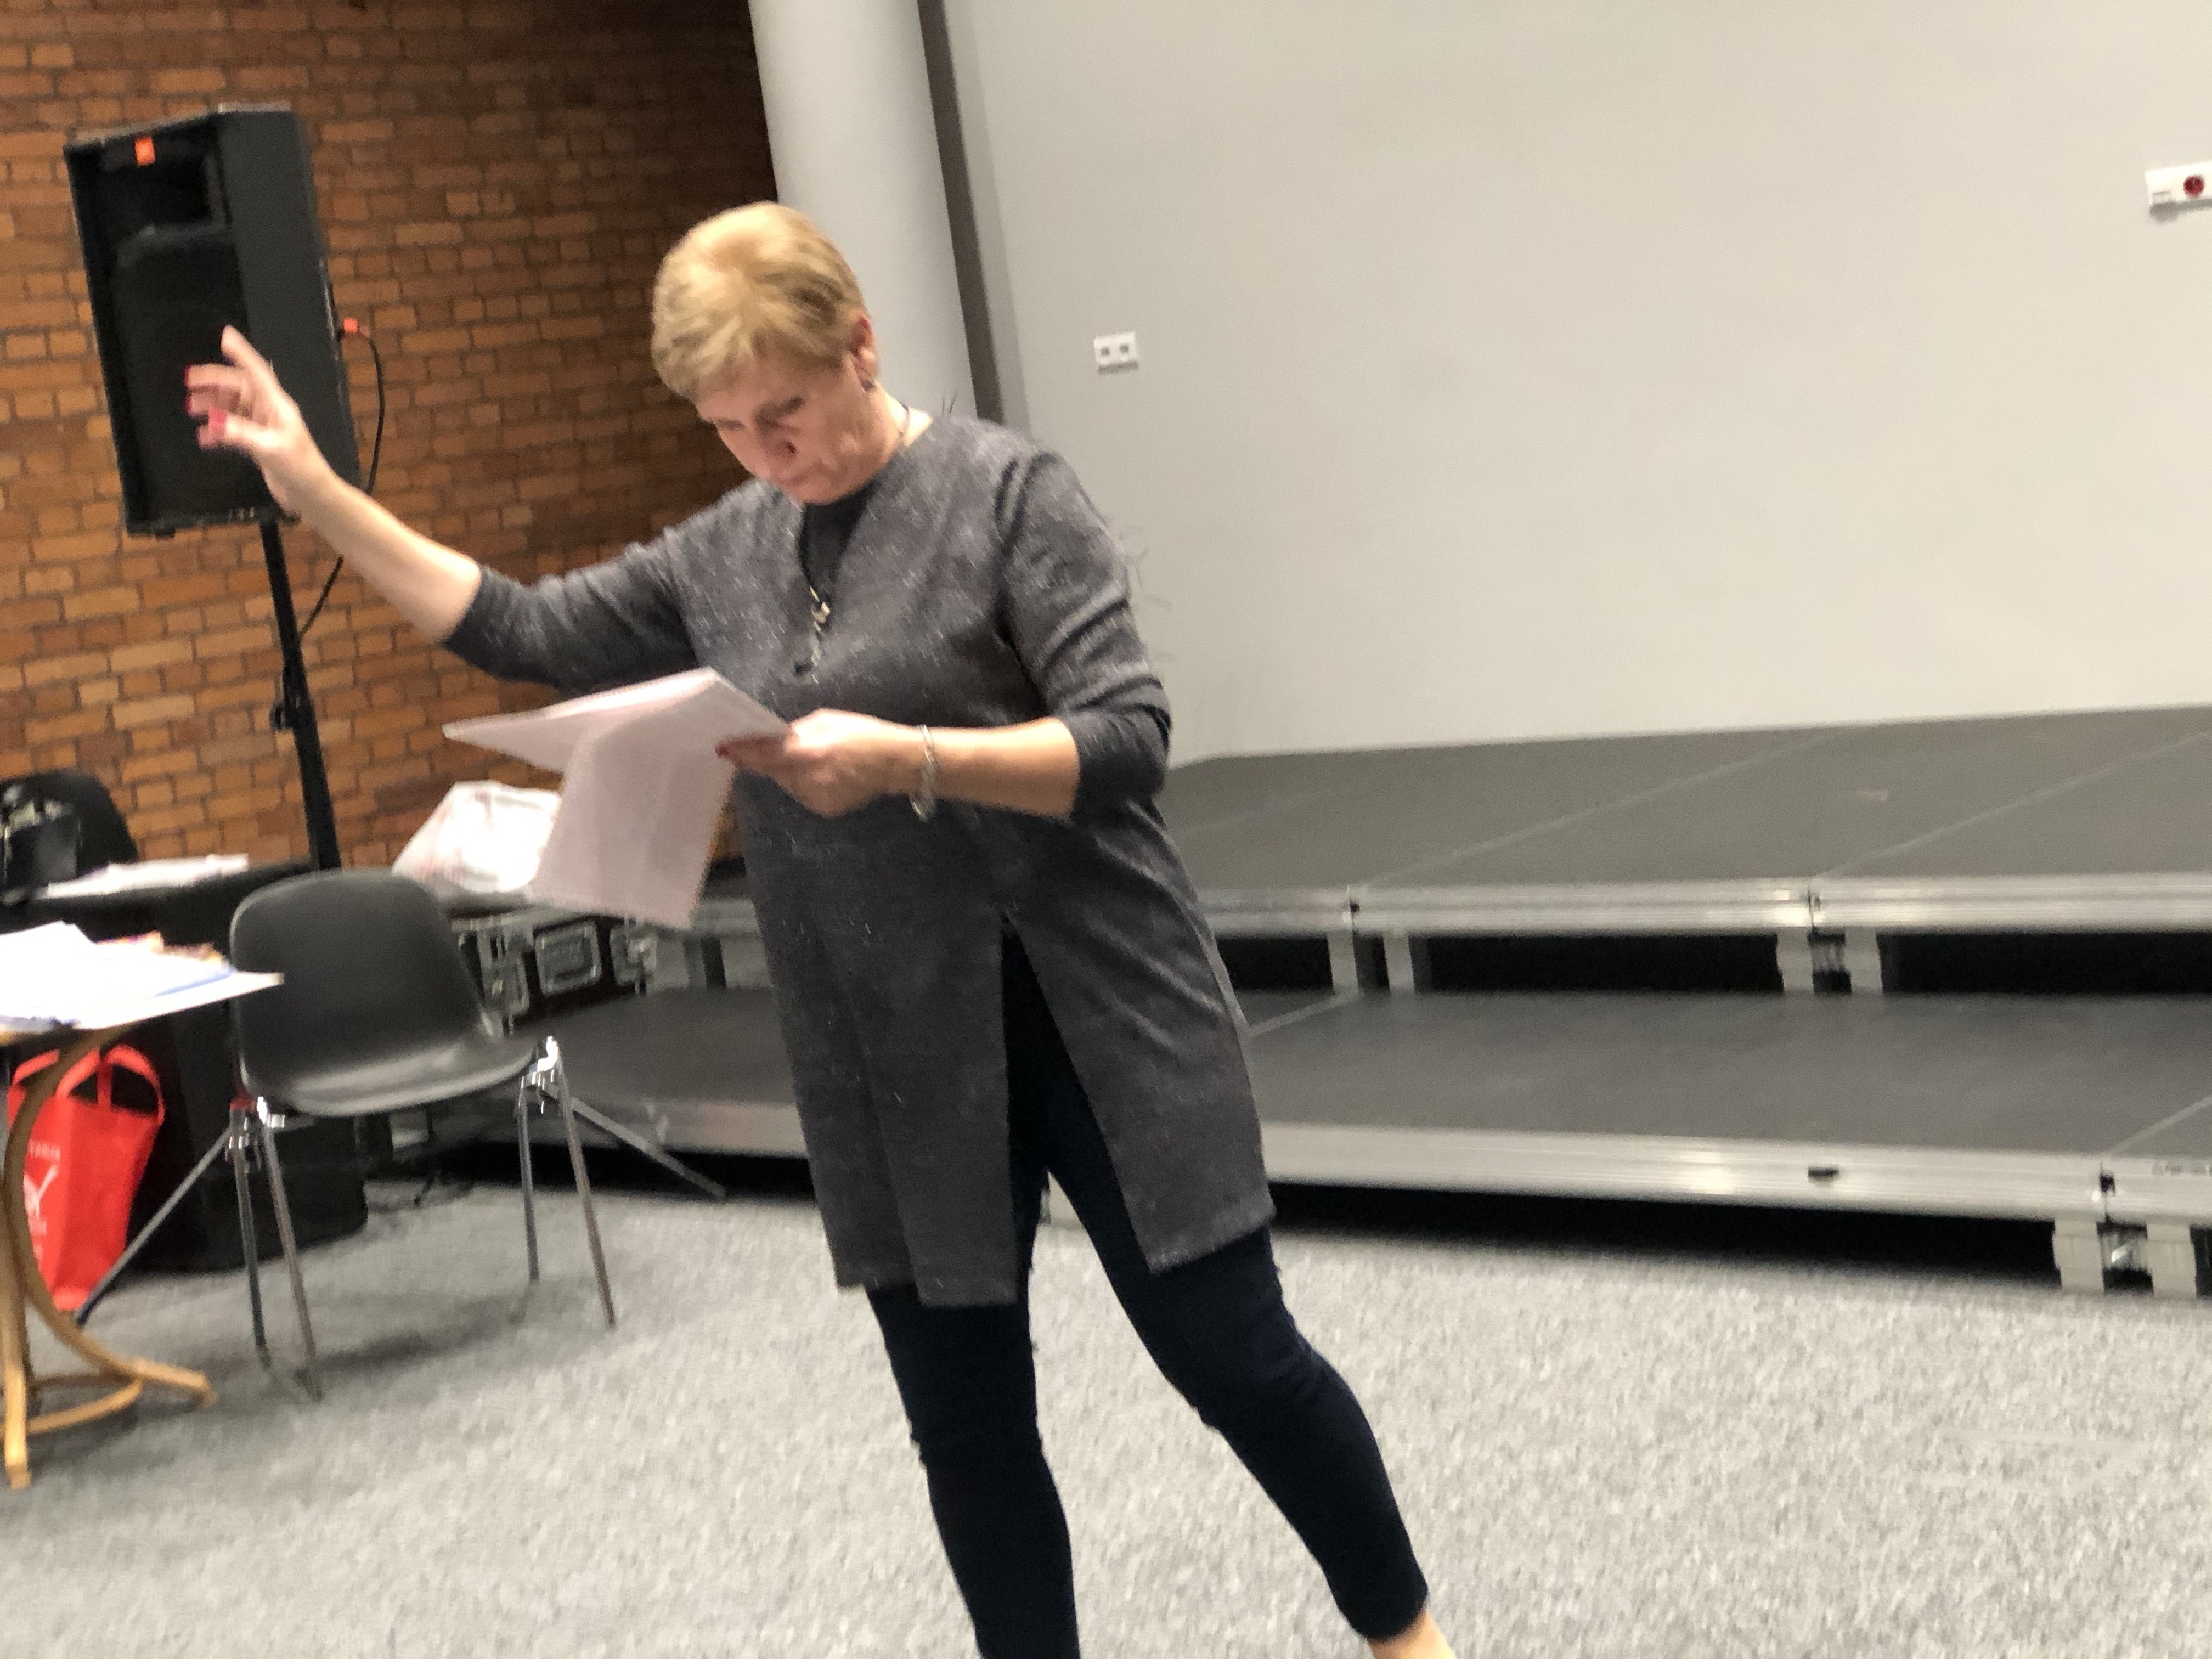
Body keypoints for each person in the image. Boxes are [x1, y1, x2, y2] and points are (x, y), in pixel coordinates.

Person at [187, 201, 1455, 1659]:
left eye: (783, 412)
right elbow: (519, 629)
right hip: (888, 1037)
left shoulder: (1006, 493)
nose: (765, 453)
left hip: (1094, 1002)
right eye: (729, 428)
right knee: (966, 1424)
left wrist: (910, 759)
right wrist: (315, 488)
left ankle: (1408, 1641)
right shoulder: (725, 550)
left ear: (861, 344)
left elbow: (1126, 740)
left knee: (1234, 1360)